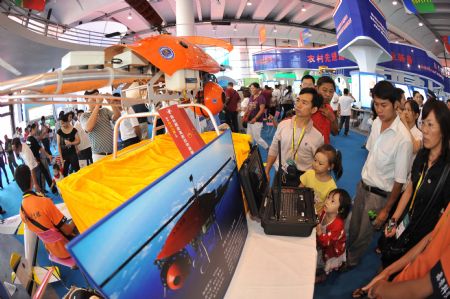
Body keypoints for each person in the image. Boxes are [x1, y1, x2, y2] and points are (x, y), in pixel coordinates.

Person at [346, 81, 413, 269]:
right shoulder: (376, 123)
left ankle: (350, 262)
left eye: (384, 105)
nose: (379, 109)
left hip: (379, 197)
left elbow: (399, 182)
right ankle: (344, 255)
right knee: (352, 225)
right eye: (376, 104)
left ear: (395, 105)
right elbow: (370, 154)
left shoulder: (403, 139)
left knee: (363, 234)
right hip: (363, 185)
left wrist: (385, 211)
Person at [380, 100, 449, 268]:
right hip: (406, 221)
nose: (424, 130)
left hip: (424, 235)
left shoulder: (447, 169)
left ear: (444, 130)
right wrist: (394, 220)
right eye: (423, 123)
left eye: (430, 125)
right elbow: (410, 189)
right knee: (389, 258)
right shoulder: (422, 155)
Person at [357, 203, 450, 299]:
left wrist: (381, 289)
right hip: (402, 281)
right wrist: (388, 271)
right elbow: (432, 237)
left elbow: (426, 287)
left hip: (407, 291)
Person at [16, 165, 78, 260]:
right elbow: (68, 230)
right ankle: (76, 261)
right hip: (67, 249)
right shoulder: (45, 202)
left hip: (52, 250)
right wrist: (75, 218)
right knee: (78, 221)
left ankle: (72, 264)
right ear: (31, 179)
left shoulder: (21, 211)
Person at [264, 88, 324, 183]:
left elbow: (319, 164)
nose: (298, 105)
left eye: (304, 103)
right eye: (298, 100)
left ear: (313, 109)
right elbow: (274, 149)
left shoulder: (317, 137)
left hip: (304, 180)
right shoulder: (283, 125)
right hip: (280, 174)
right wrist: (267, 170)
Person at [316, 189, 352, 283]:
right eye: (328, 197)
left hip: (331, 249)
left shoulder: (337, 225)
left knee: (322, 264)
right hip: (324, 241)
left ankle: (322, 275)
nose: (327, 201)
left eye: (332, 201)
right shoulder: (325, 212)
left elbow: (326, 243)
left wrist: (320, 233)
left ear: (340, 210)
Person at [300, 144, 343, 213]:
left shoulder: (332, 187)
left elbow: (325, 208)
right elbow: (299, 189)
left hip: (314, 215)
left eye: (320, 163)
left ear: (330, 167)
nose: (315, 165)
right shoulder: (309, 173)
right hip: (301, 206)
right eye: (315, 160)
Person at [80, 89, 121, 162]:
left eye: (98, 97)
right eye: (94, 98)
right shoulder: (84, 115)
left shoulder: (104, 110)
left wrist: (112, 102)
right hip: (99, 156)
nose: (97, 99)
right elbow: (88, 128)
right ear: (86, 99)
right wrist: (97, 105)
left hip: (113, 152)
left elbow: (117, 116)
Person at [26, 123, 53, 193]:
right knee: (41, 176)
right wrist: (48, 155)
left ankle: (51, 188)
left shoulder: (29, 139)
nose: (37, 130)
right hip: (36, 161)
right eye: (36, 129)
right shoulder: (31, 139)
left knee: (44, 174)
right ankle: (44, 191)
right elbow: (39, 148)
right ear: (32, 129)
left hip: (36, 160)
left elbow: (34, 149)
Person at [312, 76, 339, 144]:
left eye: (331, 91)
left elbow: (335, 133)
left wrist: (332, 119)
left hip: (324, 150)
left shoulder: (329, 108)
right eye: (324, 90)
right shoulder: (309, 108)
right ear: (317, 89)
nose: (328, 94)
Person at [246, 82, 269, 150]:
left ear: (258, 89)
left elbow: (262, 110)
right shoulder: (251, 97)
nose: (251, 90)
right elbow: (249, 106)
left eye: (253, 88)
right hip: (249, 120)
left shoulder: (261, 98)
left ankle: (267, 148)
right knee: (249, 137)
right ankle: (249, 150)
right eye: (251, 88)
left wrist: (255, 118)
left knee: (257, 138)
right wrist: (245, 114)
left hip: (257, 121)